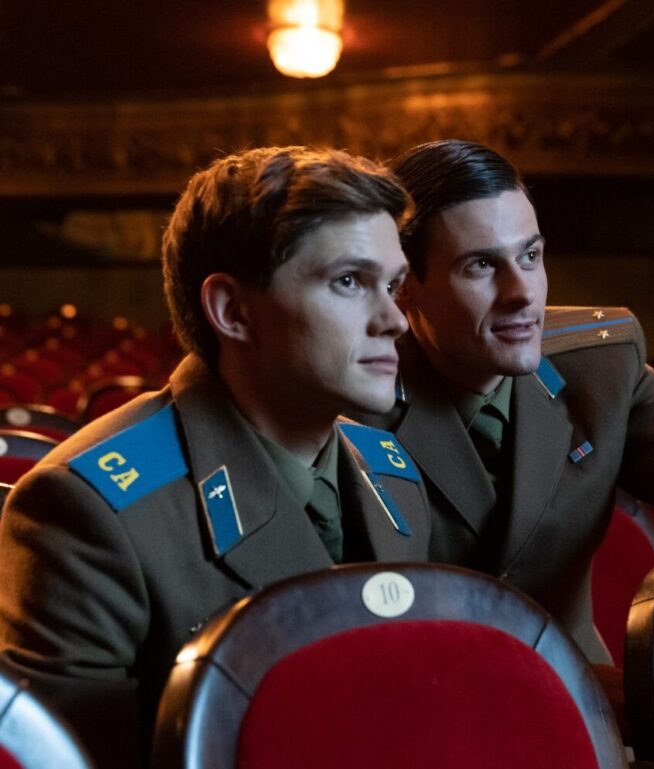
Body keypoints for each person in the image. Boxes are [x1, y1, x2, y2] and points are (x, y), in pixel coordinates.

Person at [0, 146, 431, 768]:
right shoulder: (86, 513)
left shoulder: (391, 467)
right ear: (233, 311)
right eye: (349, 281)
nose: (395, 319)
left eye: (392, 285)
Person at [355, 139, 654, 695]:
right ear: (405, 288)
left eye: (531, 255)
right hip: (420, 711)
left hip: (588, 711)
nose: (523, 293)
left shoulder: (598, 365)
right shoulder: (352, 399)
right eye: (481, 266)